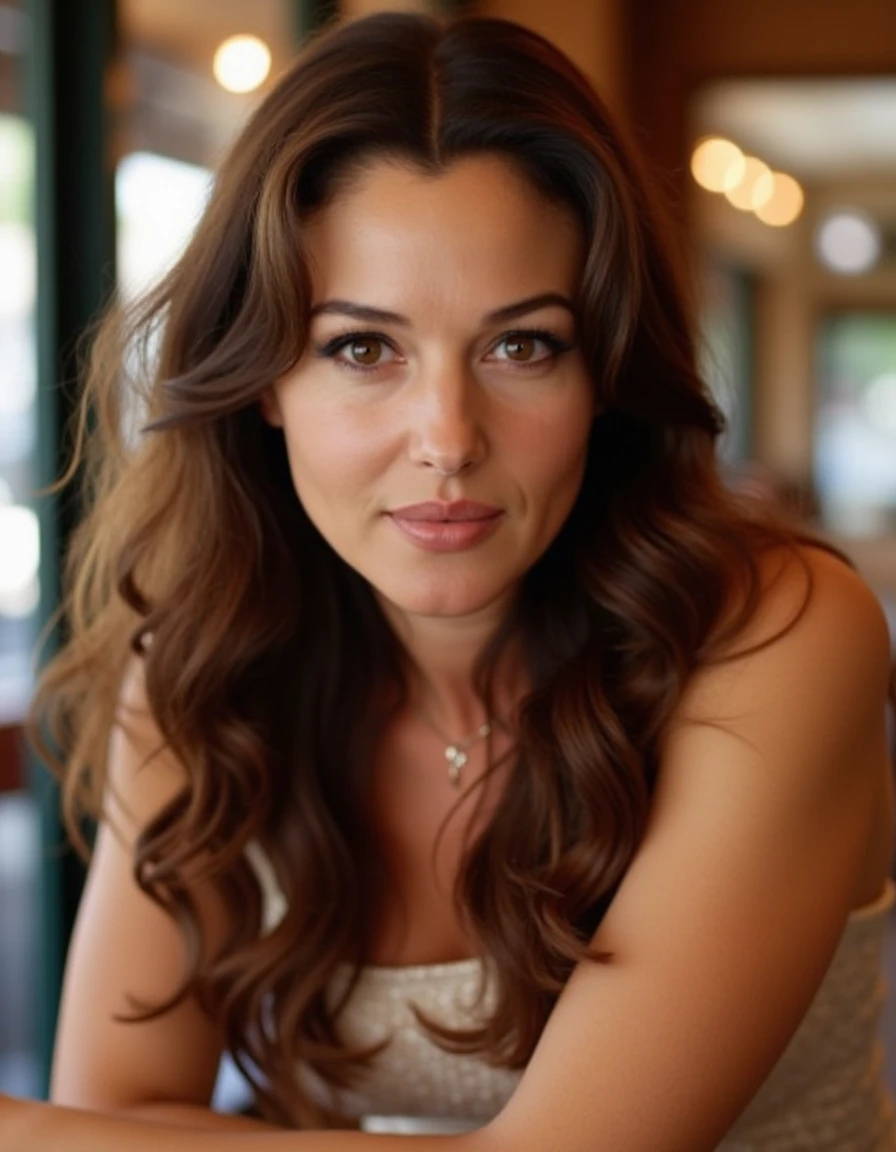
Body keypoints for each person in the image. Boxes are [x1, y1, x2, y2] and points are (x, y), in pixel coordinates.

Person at [3, 11, 895, 1151]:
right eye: (361, 349)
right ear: (263, 378)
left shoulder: (781, 637)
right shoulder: (199, 670)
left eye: (520, 345)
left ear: (606, 370)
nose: (447, 437)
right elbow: (114, 1111)